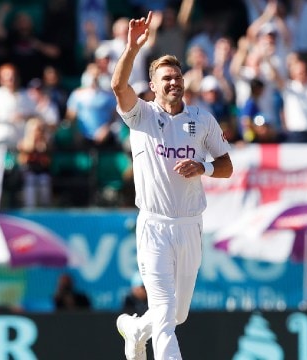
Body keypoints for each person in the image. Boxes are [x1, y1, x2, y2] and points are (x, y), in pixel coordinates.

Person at [110, 12, 233, 360]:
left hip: (191, 224)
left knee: (177, 315)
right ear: (153, 85)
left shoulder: (201, 119)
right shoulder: (142, 116)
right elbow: (119, 87)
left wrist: (203, 167)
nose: (174, 83)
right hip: (155, 225)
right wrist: (132, 48)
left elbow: (226, 166)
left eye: (177, 77)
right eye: (166, 78)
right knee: (165, 315)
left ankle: (135, 329)